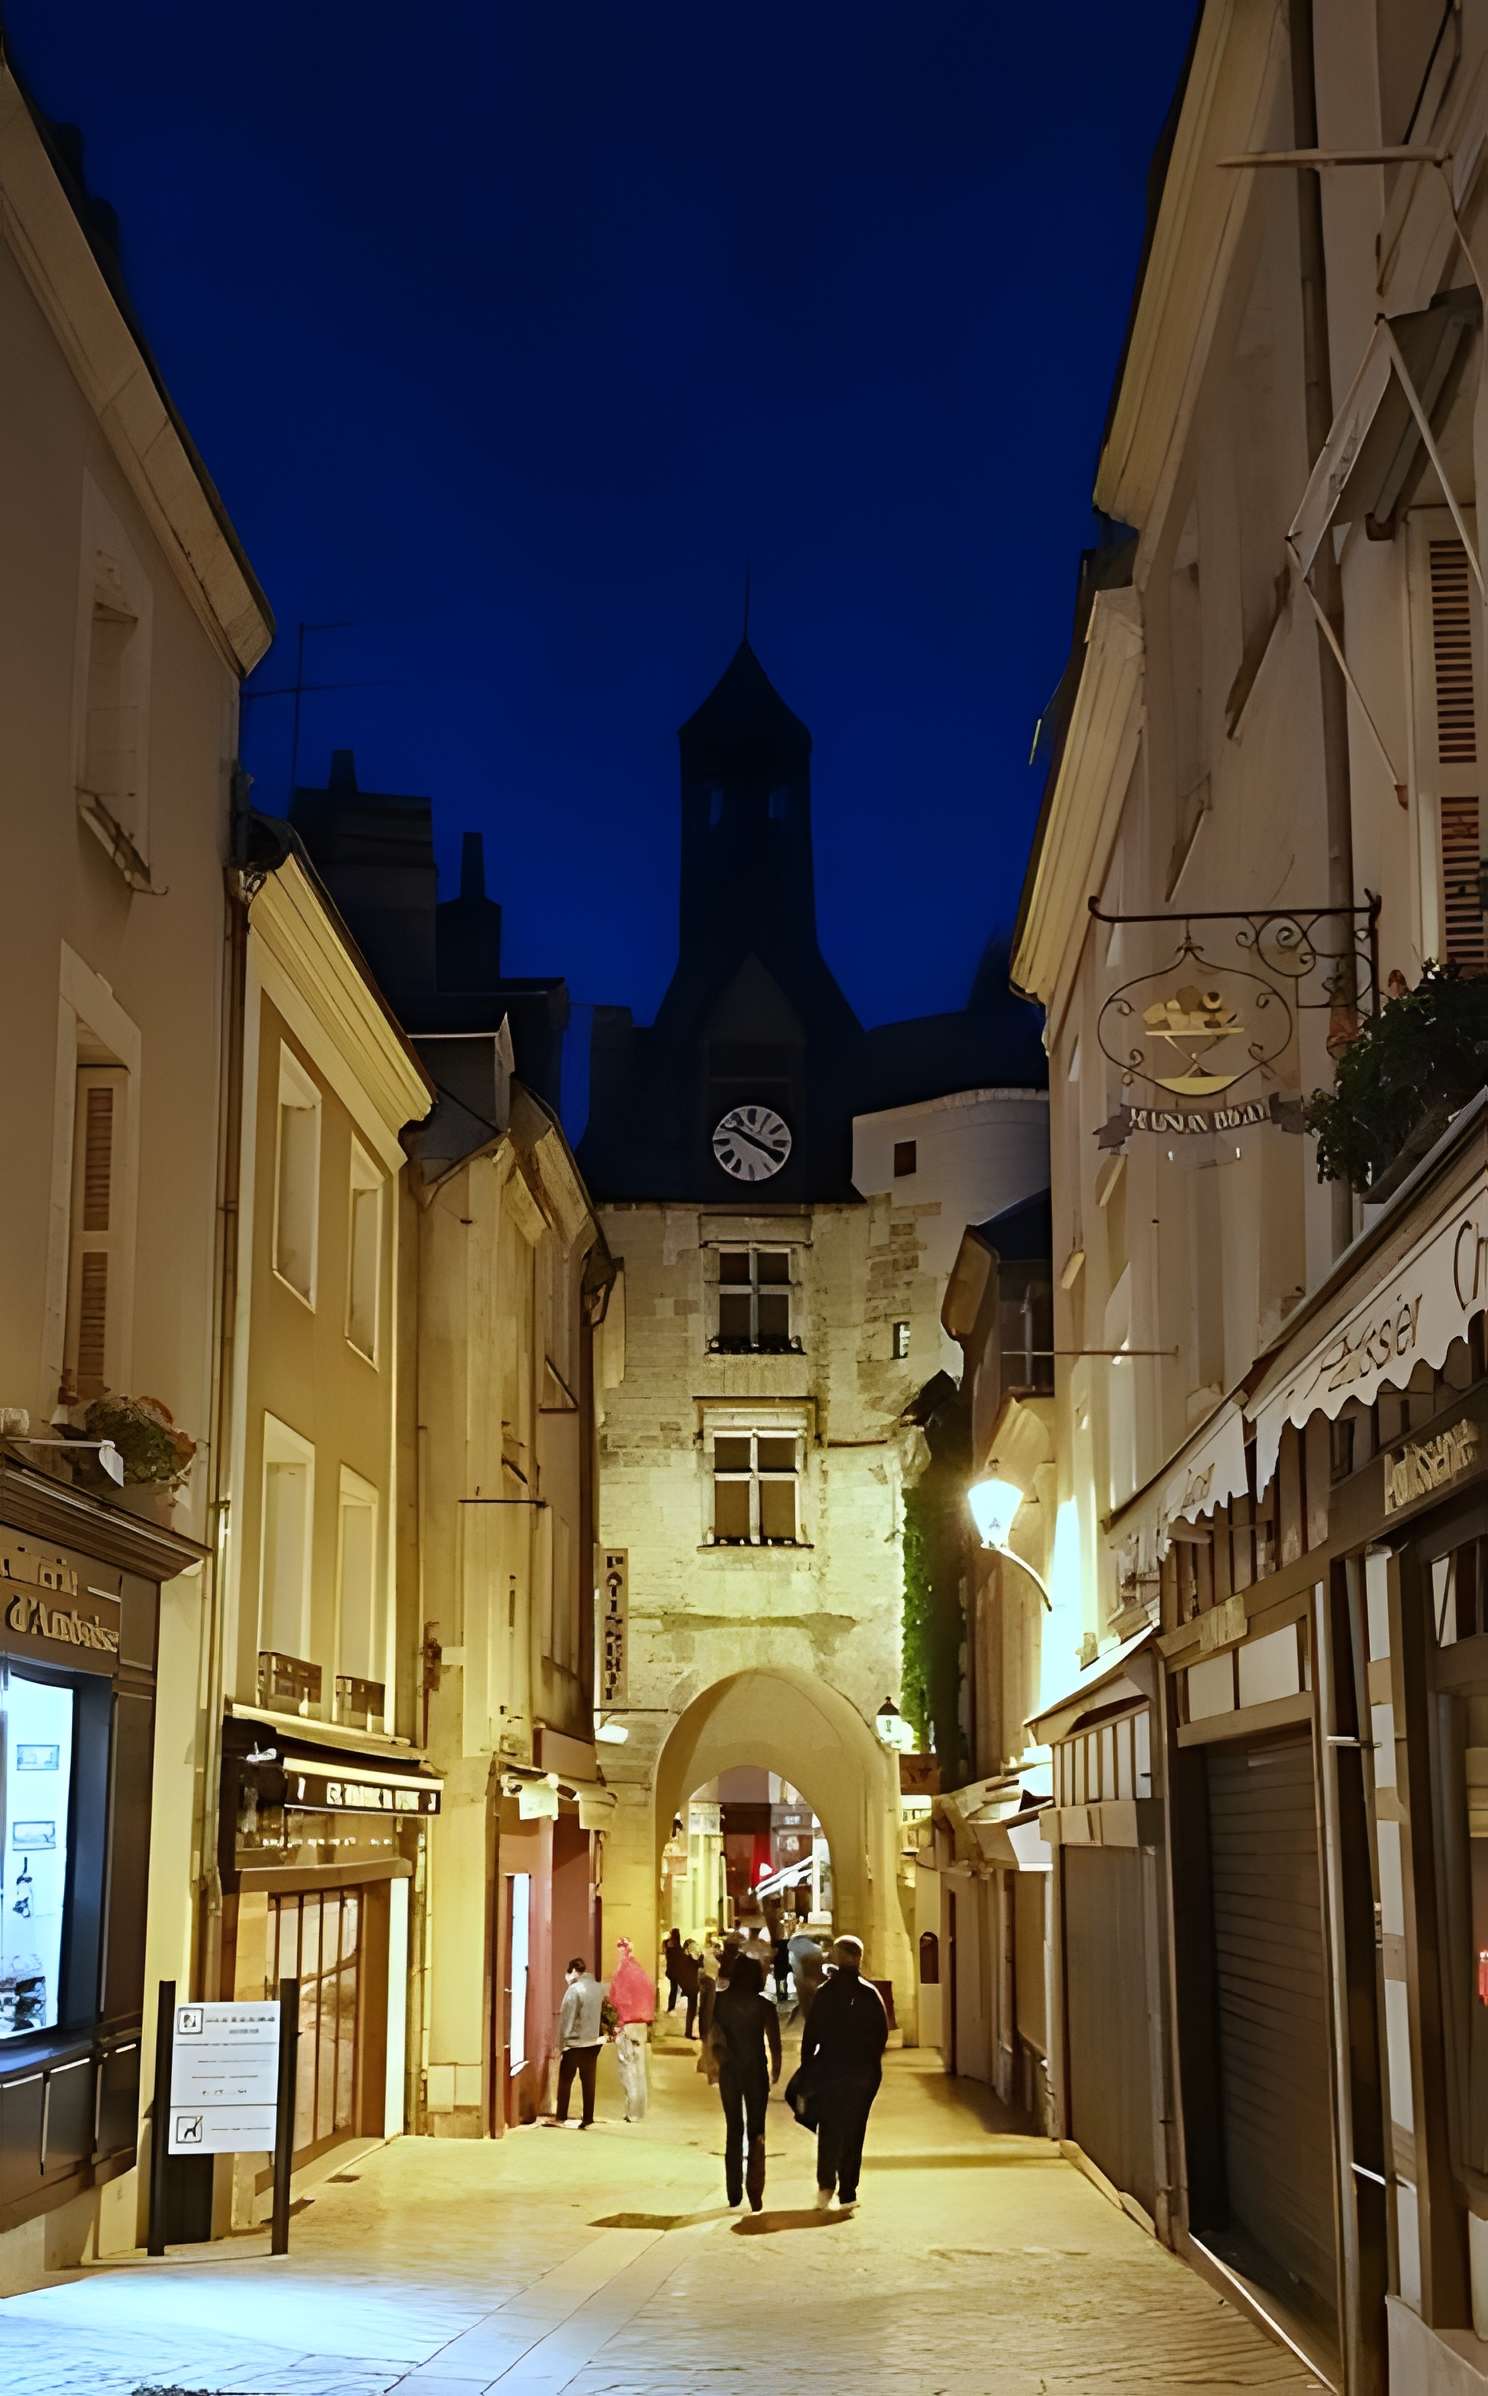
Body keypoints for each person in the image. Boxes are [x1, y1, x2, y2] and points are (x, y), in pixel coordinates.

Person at [799, 1935, 887, 2209]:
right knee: (854, 2130)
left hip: (830, 2069)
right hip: (862, 2074)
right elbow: (881, 2036)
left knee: (829, 2129)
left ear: (841, 1957)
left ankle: (826, 2186)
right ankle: (848, 2191)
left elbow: (810, 2035)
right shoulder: (869, 1994)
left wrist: (806, 2072)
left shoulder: (825, 1993)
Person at [709, 1951, 782, 2210]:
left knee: (733, 2129)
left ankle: (733, 2192)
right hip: (755, 2071)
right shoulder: (764, 2006)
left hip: (730, 2069)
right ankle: (755, 2190)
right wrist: (776, 2070)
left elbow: (709, 2032)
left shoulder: (719, 2002)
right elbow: (774, 2042)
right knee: (757, 2131)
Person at [550, 1956, 605, 2128]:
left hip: (574, 2043)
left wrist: (560, 2045)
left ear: (573, 1971)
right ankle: (588, 2117)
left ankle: (561, 2116)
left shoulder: (574, 1990)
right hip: (593, 2042)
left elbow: (568, 2019)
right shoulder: (598, 1988)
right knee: (589, 2081)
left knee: (565, 2080)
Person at [610, 1937, 656, 2121]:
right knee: (640, 2067)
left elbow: (616, 1999)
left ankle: (632, 2111)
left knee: (627, 2068)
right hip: (641, 2025)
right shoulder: (641, 1973)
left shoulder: (622, 1974)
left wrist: (617, 2023)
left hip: (627, 2025)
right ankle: (640, 2110)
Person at [788, 1931, 826, 2031]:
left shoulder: (793, 1950)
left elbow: (796, 1968)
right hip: (817, 1980)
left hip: (804, 1980)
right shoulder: (817, 1949)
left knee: (806, 2005)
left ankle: (810, 2026)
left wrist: (799, 1983)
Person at [675, 1936, 703, 2038]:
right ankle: (688, 2032)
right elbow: (700, 1964)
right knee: (692, 2010)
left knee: (692, 2010)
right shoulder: (691, 1958)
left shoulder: (683, 1957)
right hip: (692, 1986)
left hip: (688, 1985)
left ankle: (688, 2031)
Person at [662, 1927, 683, 2015]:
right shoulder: (679, 1946)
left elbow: (664, 1951)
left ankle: (671, 2007)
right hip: (677, 1970)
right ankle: (672, 2006)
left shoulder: (666, 1943)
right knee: (676, 1988)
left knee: (673, 1988)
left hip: (671, 1969)